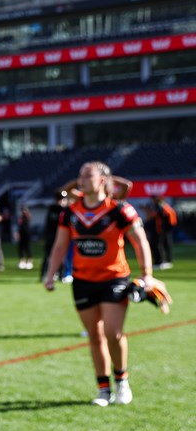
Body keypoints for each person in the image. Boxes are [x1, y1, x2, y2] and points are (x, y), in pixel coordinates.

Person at [43, 161, 157, 407]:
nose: (82, 180)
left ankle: (122, 380)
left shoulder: (120, 210)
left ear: (104, 180)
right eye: (80, 176)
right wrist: (51, 273)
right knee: (95, 337)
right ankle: (103, 389)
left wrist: (147, 274)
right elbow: (60, 245)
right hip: (83, 281)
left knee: (112, 333)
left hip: (114, 279)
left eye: (88, 176)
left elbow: (140, 241)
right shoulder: (71, 212)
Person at [149, 195, 177, 269]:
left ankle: (161, 262)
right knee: (162, 245)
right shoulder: (161, 206)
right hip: (161, 229)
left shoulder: (161, 206)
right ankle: (163, 261)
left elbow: (156, 216)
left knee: (158, 245)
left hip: (161, 230)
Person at [16, 204, 33, 270]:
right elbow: (19, 226)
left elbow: (28, 219)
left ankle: (29, 261)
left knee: (28, 248)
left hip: (27, 234)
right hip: (22, 234)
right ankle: (22, 261)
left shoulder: (27, 215)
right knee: (20, 248)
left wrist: (25, 213)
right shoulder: (21, 217)